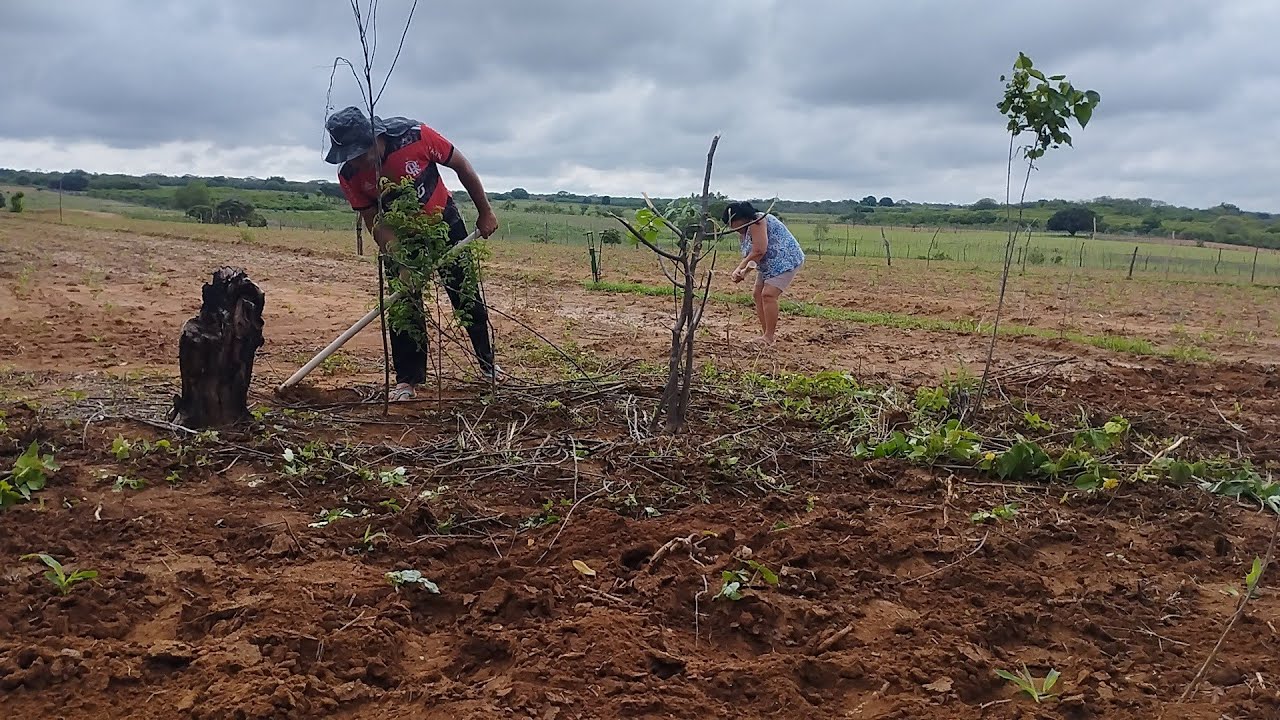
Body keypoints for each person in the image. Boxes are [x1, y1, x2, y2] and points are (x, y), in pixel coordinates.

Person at [324, 105, 501, 400]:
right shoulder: (350, 174)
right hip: (399, 239)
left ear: (376, 136)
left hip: (443, 223)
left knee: (465, 296)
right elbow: (373, 220)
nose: (359, 161)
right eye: (350, 155)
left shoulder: (415, 135)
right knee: (404, 308)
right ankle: (407, 381)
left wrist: (485, 212)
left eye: (362, 152)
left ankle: (489, 367)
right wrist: (401, 260)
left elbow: (462, 166)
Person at [724, 201, 805, 346]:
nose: (732, 227)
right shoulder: (744, 230)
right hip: (767, 264)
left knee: (768, 295)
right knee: (757, 294)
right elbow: (752, 256)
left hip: (784, 260)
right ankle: (766, 335)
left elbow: (759, 250)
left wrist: (740, 269)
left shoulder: (757, 221)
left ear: (741, 219)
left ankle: (768, 336)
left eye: (732, 222)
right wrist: (743, 271)